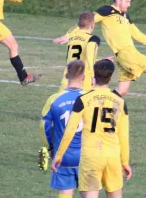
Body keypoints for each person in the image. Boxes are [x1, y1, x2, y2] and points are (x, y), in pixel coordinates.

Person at [53, 0, 146, 115]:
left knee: (122, 90)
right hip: (127, 54)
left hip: (124, 56)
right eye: (127, 1)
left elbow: (137, 35)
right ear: (119, 0)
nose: (129, 5)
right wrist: (68, 35)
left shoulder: (125, 16)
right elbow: (86, 23)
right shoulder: (107, 10)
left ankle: (97, 107)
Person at [52, 59, 132, 198]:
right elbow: (124, 136)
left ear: (93, 76)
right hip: (112, 156)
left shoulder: (82, 100)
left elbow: (70, 130)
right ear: (111, 77)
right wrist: (124, 162)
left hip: (91, 156)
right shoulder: (120, 102)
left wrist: (59, 155)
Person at [40, 60, 87, 198]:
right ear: (84, 77)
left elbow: (45, 126)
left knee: (65, 193)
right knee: (88, 192)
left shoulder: (54, 99)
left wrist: (50, 147)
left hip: (63, 155)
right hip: (86, 155)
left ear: (66, 75)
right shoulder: (90, 98)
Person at [59, 12, 101, 92]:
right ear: (92, 25)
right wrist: (93, 76)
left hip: (68, 77)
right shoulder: (92, 39)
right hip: (83, 79)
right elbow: (90, 56)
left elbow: (78, 57)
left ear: (78, 25)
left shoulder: (71, 38)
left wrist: (101, 60)